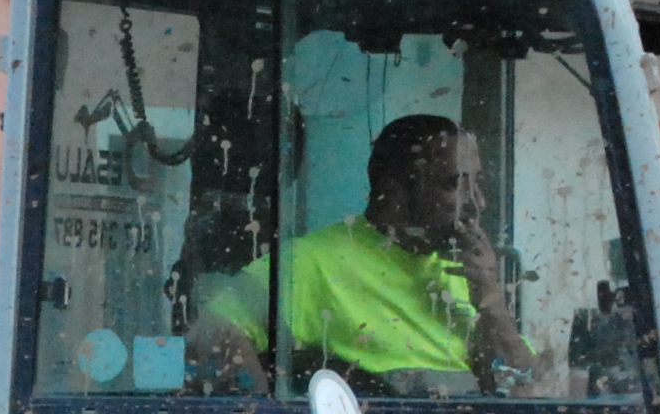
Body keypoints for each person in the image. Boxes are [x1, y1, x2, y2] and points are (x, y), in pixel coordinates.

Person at [192, 114, 536, 397]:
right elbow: (209, 336)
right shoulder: (312, 262)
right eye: (453, 185)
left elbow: (525, 396)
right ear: (393, 189)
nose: (477, 204)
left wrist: (491, 300)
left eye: (477, 185)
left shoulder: (468, 272)